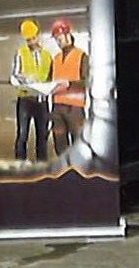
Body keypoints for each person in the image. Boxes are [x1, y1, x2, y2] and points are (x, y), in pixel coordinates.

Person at [10, 19, 52, 162]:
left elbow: (51, 78)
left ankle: (42, 165)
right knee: (22, 135)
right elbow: (14, 76)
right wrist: (24, 79)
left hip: (42, 101)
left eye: (33, 38)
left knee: (42, 135)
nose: (31, 42)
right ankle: (20, 164)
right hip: (25, 100)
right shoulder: (20, 53)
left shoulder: (47, 55)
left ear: (38, 36)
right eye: (28, 40)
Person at [48, 18, 88, 157]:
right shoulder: (56, 58)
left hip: (75, 108)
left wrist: (70, 84)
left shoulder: (81, 56)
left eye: (60, 38)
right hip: (57, 107)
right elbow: (49, 81)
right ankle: (64, 172)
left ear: (68, 35)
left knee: (78, 142)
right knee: (59, 143)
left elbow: (87, 81)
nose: (58, 42)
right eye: (56, 39)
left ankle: (80, 173)